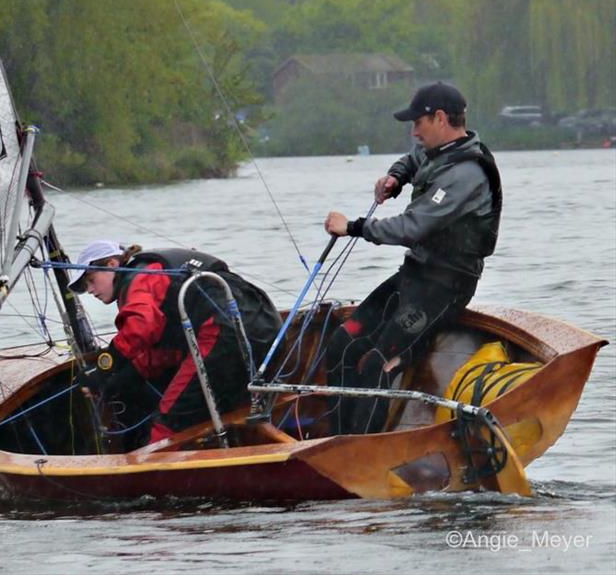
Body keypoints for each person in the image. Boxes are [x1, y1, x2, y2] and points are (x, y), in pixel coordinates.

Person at [323, 81, 502, 435]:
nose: (413, 131)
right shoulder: (437, 149)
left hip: (446, 285)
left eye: (417, 123)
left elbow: (412, 227)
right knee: (343, 342)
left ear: (439, 118)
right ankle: (336, 441)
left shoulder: (466, 174)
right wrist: (396, 177)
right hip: (415, 274)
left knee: (378, 363)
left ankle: (362, 454)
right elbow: (412, 159)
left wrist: (354, 227)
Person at [68, 240, 282, 449]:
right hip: (265, 322)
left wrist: (104, 367)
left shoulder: (140, 279)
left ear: (112, 265)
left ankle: (151, 475)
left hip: (222, 331)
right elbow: (165, 351)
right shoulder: (152, 273)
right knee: (225, 406)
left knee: (170, 421)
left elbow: (141, 326)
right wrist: (120, 380)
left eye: (91, 280)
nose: (90, 290)